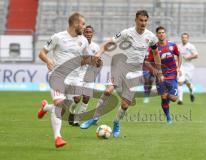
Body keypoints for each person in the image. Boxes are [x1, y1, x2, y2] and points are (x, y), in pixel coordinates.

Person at [80, 10, 161, 137]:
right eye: (141, 20)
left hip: (135, 72)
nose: (143, 23)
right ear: (136, 20)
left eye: (145, 21)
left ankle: (116, 122)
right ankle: (94, 118)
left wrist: (159, 70)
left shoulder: (151, 37)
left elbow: (156, 53)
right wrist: (98, 53)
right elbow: (108, 44)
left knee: (125, 104)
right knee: (108, 91)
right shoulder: (126, 33)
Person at [37, 12, 100, 148]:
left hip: (75, 78)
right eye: (82, 24)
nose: (84, 27)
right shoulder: (58, 37)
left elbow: (85, 58)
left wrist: (93, 61)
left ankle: (46, 107)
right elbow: (42, 53)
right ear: (75, 24)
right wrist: (48, 60)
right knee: (60, 105)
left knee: (69, 104)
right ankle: (58, 137)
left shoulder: (82, 40)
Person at [145, 26, 182, 123]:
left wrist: (178, 67)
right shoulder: (153, 48)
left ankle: (167, 96)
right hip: (160, 75)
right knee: (164, 97)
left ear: (165, 34)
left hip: (172, 74)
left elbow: (179, 55)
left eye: (163, 32)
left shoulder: (172, 45)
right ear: (157, 35)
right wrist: (154, 70)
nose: (161, 34)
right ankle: (168, 117)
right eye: (159, 33)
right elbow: (147, 62)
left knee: (173, 98)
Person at [68, 25, 100, 126]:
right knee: (77, 98)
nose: (88, 34)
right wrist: (90, 60)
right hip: (79, 75)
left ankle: (77, 120)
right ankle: (71, 112)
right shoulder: (79, 45)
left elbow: (98, 62)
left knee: (86, 98)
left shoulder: (96, 47)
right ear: (83, 33)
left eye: (90, 32)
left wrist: (98, 63)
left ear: (92, 34)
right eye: (86, 32)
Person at [177, 33, 199, 105]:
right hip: (181, 66)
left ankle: (191, 92)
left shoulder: (191, 46)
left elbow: (196, 55)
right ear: (181, 38)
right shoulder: (178, 46)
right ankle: (180, 100)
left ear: (188, 38)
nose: (184, 39)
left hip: (189, 67)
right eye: (183, 37)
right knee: (180, 82)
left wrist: (188, 57)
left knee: (188, 83)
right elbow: (176, 56)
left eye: (185, 37)